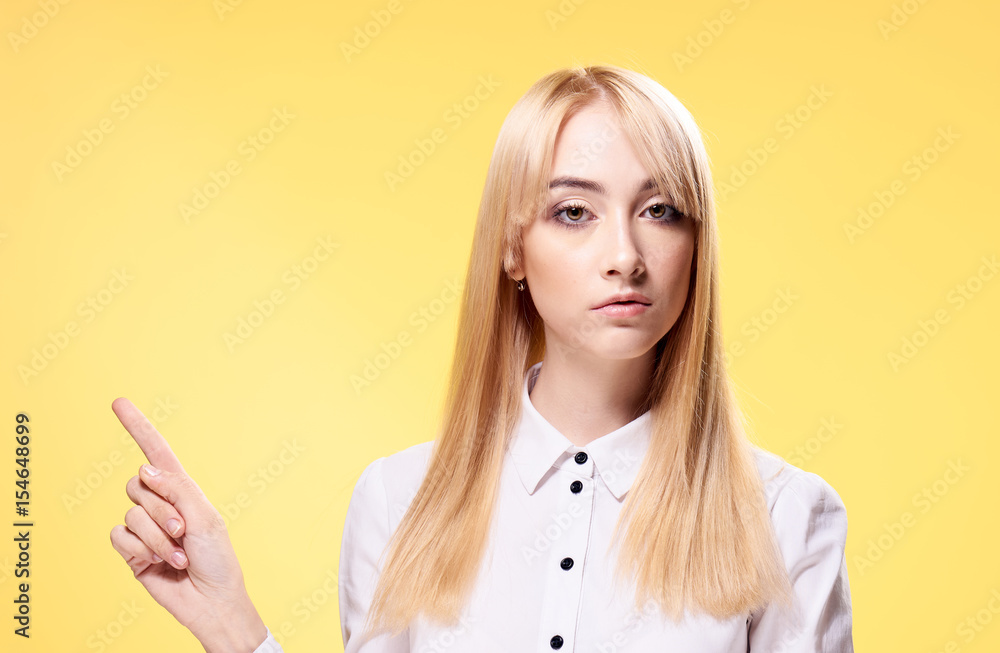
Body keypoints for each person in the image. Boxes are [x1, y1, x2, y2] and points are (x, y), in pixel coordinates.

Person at [110, 64, 853, 652]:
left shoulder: (789, 517)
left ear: (699, 242)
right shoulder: (400, 502)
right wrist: (236, 631)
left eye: (660, 210)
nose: (625, 256)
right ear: (511, 247)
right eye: (574, 212)